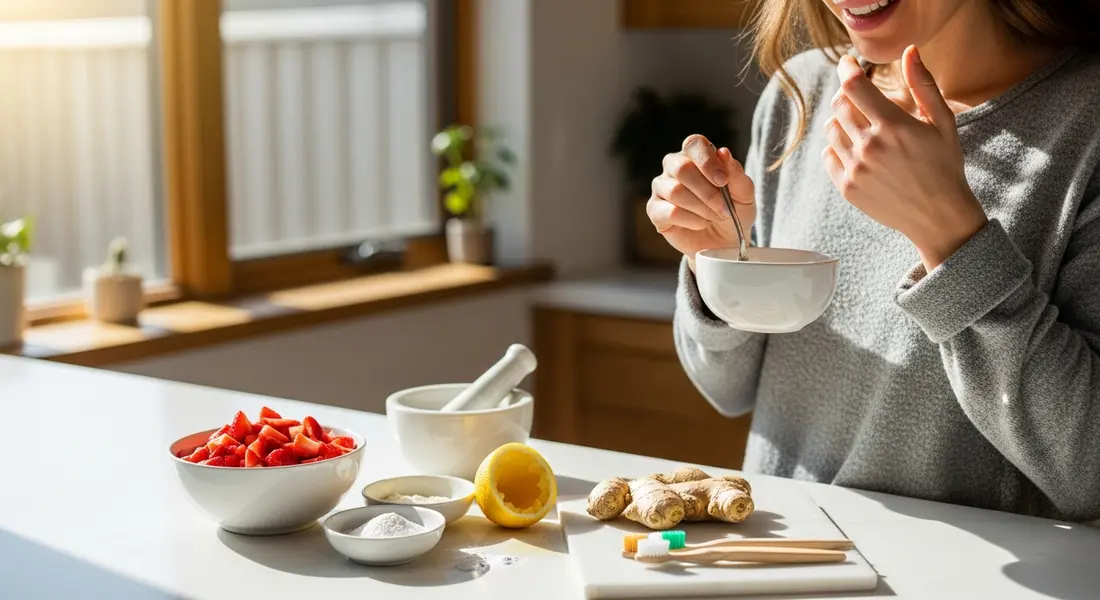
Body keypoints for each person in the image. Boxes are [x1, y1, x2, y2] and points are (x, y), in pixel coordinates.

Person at [654, 0, 1100, 521]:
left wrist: (950, 233)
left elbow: (1089, 476)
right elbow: (727, 389)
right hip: (779, 555)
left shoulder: (1086, 122)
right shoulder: (802, 93)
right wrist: (719, 264)